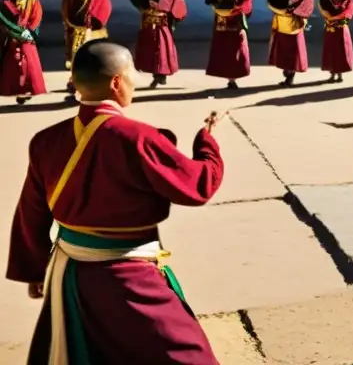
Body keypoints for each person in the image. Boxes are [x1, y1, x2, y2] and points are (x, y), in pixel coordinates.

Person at [6, 39, 223, 363]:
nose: (135, 79)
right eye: (132, 71)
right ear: (116, 82)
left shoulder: (45, 141)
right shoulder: (139, 138)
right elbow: (198, 186)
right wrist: (207, 144)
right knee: (187, 355)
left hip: (71, 276)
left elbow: (31, 212)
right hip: (129, 275)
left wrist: (35, 270)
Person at [130, 0, 187, 89]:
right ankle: (155, 74)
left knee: (162, 49)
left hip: (163, 22)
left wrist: (175, 18)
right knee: (149, 49)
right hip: (148, 22)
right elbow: (136, 0)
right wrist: (145, 7)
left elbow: (177, 1)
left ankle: (160, 76)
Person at [60, 0, 112, 98]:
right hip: (75, 30)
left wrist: (94, 25)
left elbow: (105, 7)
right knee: (75, 58)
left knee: (91, 59)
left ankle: (91, 85)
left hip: (92, 32)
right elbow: (65, 7)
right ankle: (74, 84)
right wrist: (69, 24)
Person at [205, 0, 253, 90]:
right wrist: (218, 9)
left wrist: (232, 11)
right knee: (224, 51)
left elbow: (247, 4)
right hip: (222, 23)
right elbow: (210, 1)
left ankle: (233, 79)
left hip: (236, 23)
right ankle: (229, 78)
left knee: (238, 50)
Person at [267, 0, 315, 87]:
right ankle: (286, 71)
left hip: (295, 23)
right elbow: (270, 2)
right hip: (281, 22)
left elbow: (308, 4)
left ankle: (290, 76)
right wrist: (280, 11)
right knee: (283, 50)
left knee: (294, 51)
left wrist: (297, 13)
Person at [1, 0, 46, 105]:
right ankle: (14, 90)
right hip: (12, 37)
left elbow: (37, 15)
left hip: (27, 36)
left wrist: (29, 31)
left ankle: (27, 91)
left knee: (29, 64)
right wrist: (18, 32)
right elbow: (4, 19)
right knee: (13, 64)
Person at [319, 0, 353, 83]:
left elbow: (350, 8)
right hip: (330, 24)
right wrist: (327, 16)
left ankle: (340, 74)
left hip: (342, 24)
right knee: (331, 50)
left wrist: (340, 18)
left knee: (342, 50)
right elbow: (321, 4)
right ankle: (332, 73)